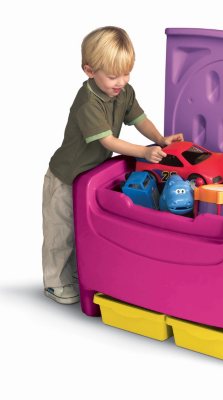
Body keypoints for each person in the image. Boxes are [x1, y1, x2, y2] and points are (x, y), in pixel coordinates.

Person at [42, 26, 183, 304]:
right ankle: (54, 282)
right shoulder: (88, 102)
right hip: (65, 176)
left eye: (126, 73)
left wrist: (160, 140)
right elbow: (108, 141)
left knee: (82, 228)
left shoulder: (123, 91)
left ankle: (77, 273)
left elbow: (140, 119)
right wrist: (144, 152)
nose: (121, 81)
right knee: (61, 233)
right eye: (113, 76)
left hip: (89, 176)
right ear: (89, 71)